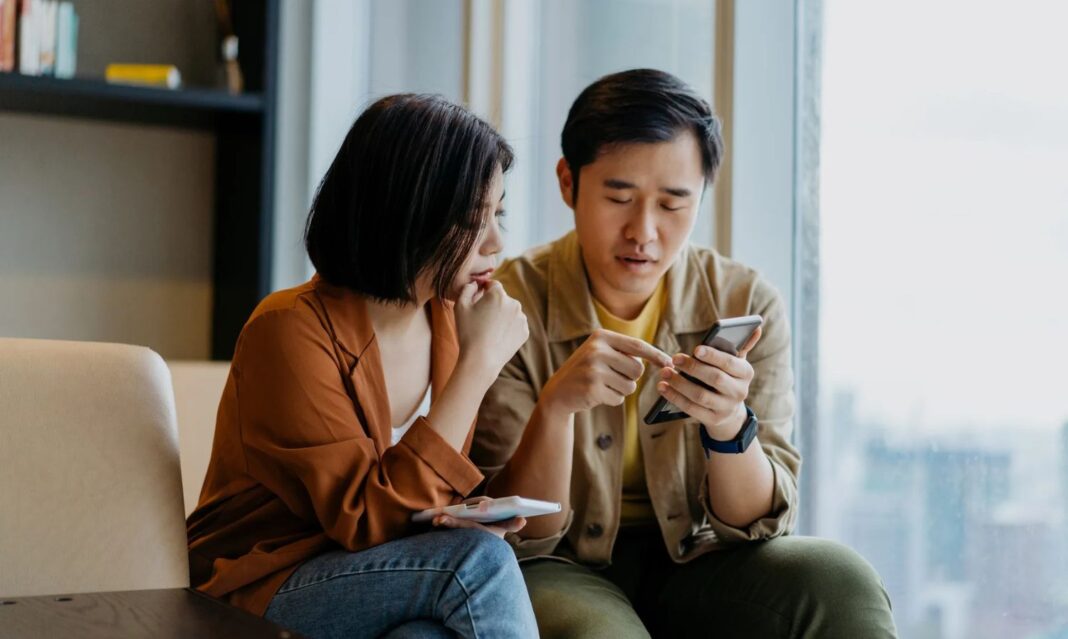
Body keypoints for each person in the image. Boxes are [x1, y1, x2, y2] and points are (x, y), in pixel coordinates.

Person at [471, 69, 898, 638]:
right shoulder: (508, 303)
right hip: (559, 564)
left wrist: (728, 427)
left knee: (840, 582)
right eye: (618, 196)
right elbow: (521, 529)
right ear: (568, 182)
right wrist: (555, 409)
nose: (643, 232)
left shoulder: (746, 301)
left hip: (700, 560)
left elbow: (760, 524)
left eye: (674, 204)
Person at [187, 93, 539, 639]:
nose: (496, 242)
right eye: (474, 218)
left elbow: (414, 501)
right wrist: (479, 366)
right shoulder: (287, 329)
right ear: (404, 213)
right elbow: (364, 518)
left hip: (374, 574)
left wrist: (460, 514)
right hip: (259, 586)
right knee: (478, 564)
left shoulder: (449, 322)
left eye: (499, 213)